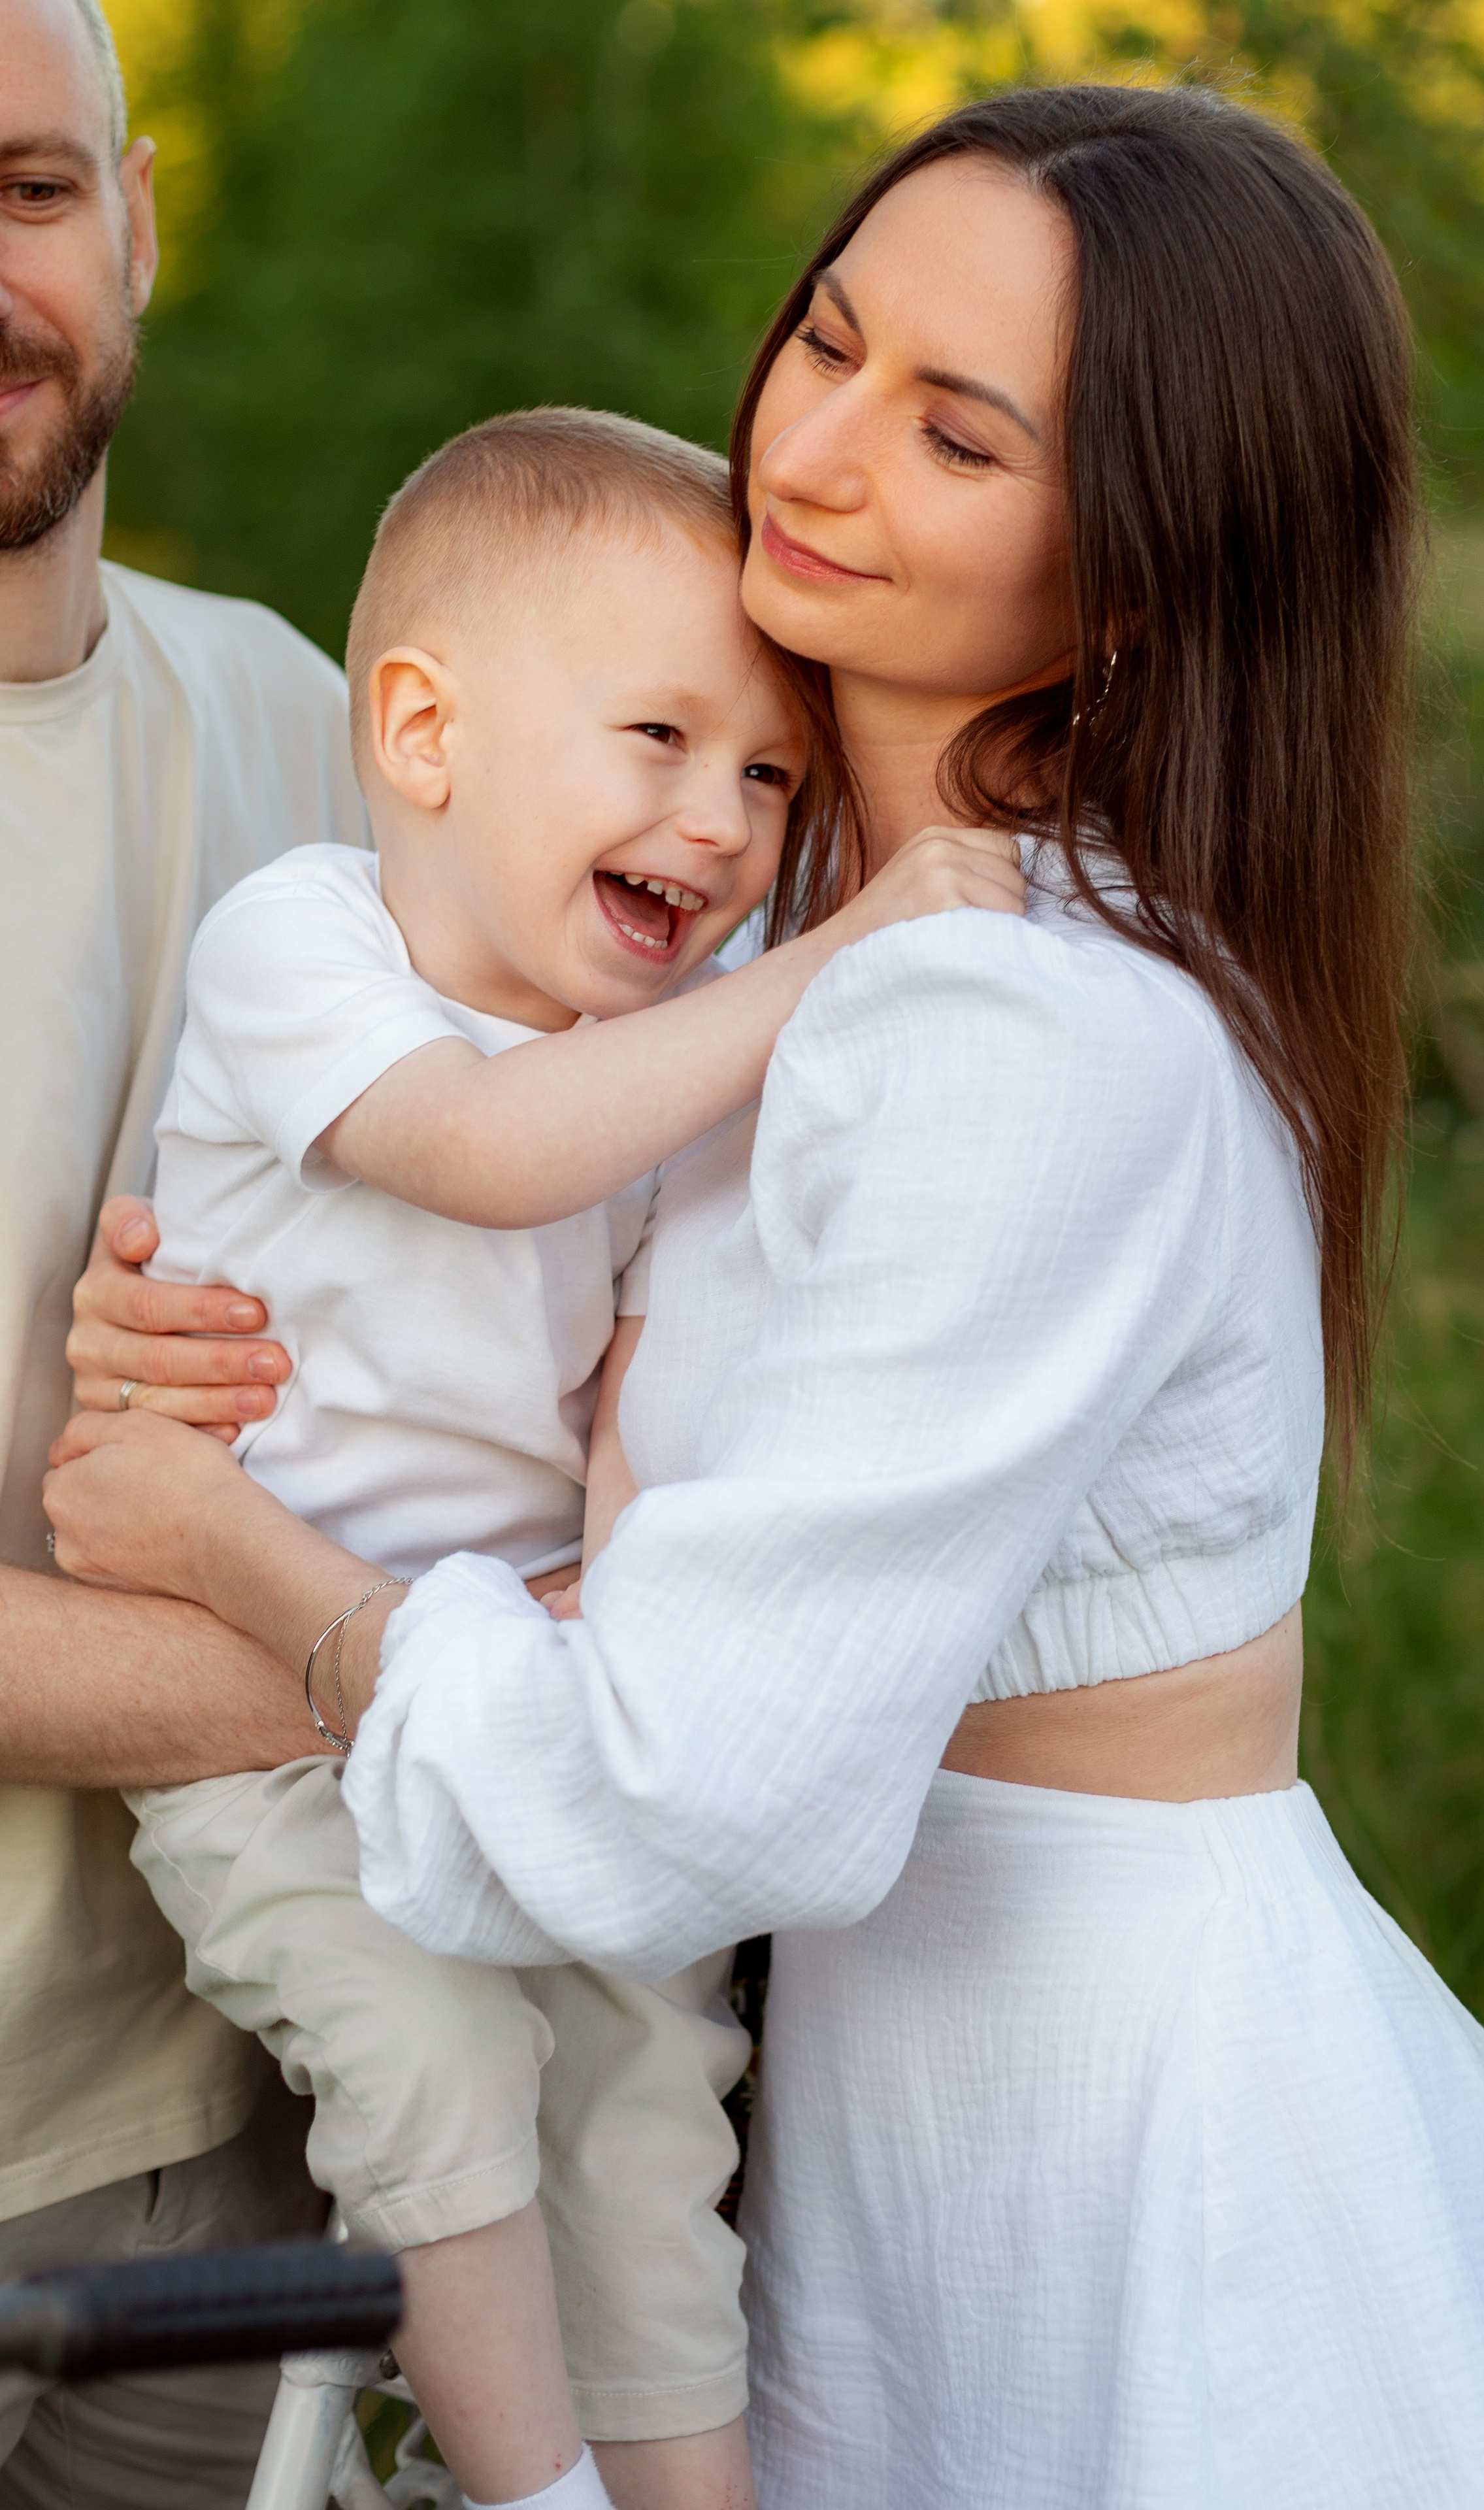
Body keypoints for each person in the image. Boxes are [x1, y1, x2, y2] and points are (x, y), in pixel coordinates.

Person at [50, 81, 1484, 2510]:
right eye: (826, 339)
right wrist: (205, 1312)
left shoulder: (1022, 1024)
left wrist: (240, 1554)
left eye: (955, 432)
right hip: (851, 2103)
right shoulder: (766, 933)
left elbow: (681, 1788)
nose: (812, 450)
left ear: (1134, 564)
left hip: (1113, 2162)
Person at [122, 400, 1018, 2510]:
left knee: (645, 2081)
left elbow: (639, 1377)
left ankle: (690, 2490)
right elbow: (480, 1157)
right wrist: (840, 953)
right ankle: (533, 2502)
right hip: (261, 1734)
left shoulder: (652, 1062)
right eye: (660, 742)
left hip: (515, 1693)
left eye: (773, 776)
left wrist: (616, 1578)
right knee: (433, 2064)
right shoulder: (304, 945)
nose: (722, 825)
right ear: (423, 736)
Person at [0, 1, 366, 2502]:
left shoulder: (329, 736)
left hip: (217, 2147)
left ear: (136, 222)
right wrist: (481, 1689)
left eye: (24, 190)